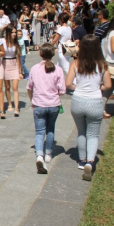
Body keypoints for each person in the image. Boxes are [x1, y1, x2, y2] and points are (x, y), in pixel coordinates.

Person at [66, 35, 112, 180]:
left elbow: (68, 84)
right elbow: (109, 85)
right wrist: (99, 87)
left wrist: (77, 87)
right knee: (93, 134)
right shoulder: (102, 64)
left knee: (81, 132)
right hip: (95, 101)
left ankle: (82, 160)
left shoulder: (75, 63)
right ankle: (90, 162)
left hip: (78, 100)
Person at [26, 43, 66, 174]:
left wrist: (32, 100)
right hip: (53, 104)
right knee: (50, 129)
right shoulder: (58, 69)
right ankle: (48, 153)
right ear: (53, 54)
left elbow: (29, 87)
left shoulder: (34, 68)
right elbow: (62, 90)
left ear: (40, 54)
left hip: (39, 104)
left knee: (39, 131)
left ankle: (39, 155)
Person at [3, 26, 23, 116]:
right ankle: (9, 104)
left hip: (14, 64)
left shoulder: (16, 43)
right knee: (7, 87)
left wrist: (20, 71)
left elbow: (18, 58)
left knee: (15, 87)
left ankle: (17, 107)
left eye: (15, 32)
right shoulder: (3, 42)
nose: (14, 34)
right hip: (4, 64)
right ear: (8, 33)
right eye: (12, 32)